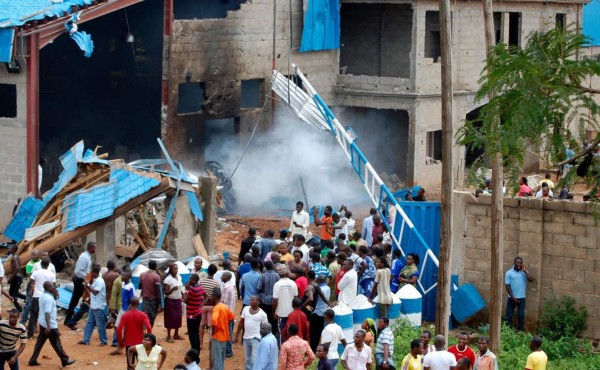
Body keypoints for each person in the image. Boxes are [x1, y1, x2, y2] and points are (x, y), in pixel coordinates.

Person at [28, 281, 75, 367]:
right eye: (53, 287)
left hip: (42, 323)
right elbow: (47, 313)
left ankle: (33, 359)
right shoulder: (49, 299)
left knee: (39, 343)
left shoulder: (42, 295)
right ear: (50, 288)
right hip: (50, 325)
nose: (55, 288)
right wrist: (49, 327)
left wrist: (55, 294)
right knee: (57, 344)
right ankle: (64, 360)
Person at [116, 296, 153, 367]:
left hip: (129, 344)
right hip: (140, 343)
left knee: (130, 365)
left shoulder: (125, 315)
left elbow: (119, 330)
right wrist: (149, 341)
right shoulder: (143, 315)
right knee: (142, 364)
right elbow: (148, 327)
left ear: (130, 304)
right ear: (138, 304)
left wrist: (121, 342)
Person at [65, 241, 95, 325]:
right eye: (94, 248)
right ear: (90, 248)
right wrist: (86, 278)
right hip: (81, 280)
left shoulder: (86, 256)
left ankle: (70, 319)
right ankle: (69, 320)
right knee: (78, 300)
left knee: (80, 299)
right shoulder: (85, 257)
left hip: (82, 280)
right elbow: (78, 271)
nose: (95, 249)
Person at [234, 295, 268, 370]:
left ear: (258, 302)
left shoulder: (262, 314)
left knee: (254, 360)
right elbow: (241, 323)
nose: (251, 301)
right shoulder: (245, 309)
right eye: (250, 299)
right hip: (246, 338)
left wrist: (264, 340)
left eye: (253, 300)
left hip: (256, 339)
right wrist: (236, 336)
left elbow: (266, 328)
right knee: (247, 359)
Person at [79, 263, 107, 345]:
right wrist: (87, 287)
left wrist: (87, 284)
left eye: (92, 273)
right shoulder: (96, 280)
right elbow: (92, 292)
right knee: (90, 322)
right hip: (94, 305)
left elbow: (95, 292)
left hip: (98, 306)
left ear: (95, 272)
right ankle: (86, 340)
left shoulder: (100, 281)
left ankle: (103, 341)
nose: (91, 274)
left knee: (100, 324)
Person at [27, 258, 55, 339]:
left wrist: (32, 290)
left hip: (37, 296)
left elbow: (29, 283)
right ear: (48, 265)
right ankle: (47, 332)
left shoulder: (36, 273)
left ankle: (30, 334)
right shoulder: (51, 274)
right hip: (47, 296)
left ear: (41, 264)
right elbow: (53, 286)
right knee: (47, 314)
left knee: (33, 315)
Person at [110, 267, 136, 354]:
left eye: (124, 275)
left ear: (128, 277)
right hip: (122, 308)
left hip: (127, 310)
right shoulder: (123, 284)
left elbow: (132, 301)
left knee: (126, 329)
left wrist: (127, 312)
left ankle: (123, 347)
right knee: (117, 327)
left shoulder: (131, 287)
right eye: (122, 274)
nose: (122, 276)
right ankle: (121, 345)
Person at [505, 256, 534, 331]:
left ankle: (520, 332)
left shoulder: (524, 272)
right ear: (514, 262)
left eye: (520, 262)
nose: (519, 264)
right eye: (518, 262)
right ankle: (507, 331)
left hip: (521, 298)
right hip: (511, 298)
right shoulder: (509, 273)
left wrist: (525, 271)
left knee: (521, 316)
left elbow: (531, 280)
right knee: (509, 316)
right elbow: (507, 286)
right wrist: (513, 298)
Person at [272, 264, 298, 343]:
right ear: (287, 272)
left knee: (281, 332)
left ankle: (282, 350)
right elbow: (296, 298)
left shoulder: (277, 285)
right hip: (292, 312)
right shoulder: (293, 283)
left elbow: (275, 300)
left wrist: (273, 312)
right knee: (292, 332)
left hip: (281, 313)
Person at [210, 288, 235, 370]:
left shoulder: (216, 308)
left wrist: (214, 331)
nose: (210, 298)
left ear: (215, 297)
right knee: (221, 358)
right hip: (224, 336)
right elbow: (232, 317)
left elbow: (214, 320)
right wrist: (225, 324)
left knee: (217, 358)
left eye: (211, 296)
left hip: (217, 336)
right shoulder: (224, 306)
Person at [183, 274, 206, 353]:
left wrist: (186, 290)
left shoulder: (192, 290)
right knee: (196, 333)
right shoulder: (199, 287)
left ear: (195, 280)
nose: (189, 280)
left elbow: (185, 300)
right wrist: (200, 305)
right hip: (198, 313)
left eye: (191, 279)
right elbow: (206, 297)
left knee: (192, 335)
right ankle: (197, 351)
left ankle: (194, 352)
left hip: (191, 315)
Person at [256, 260, 279, 333]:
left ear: (265, 267)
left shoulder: (262, 276)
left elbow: (258, 288)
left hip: (264, 300)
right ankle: (273, 333)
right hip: (274, 301)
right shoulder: (277, 275)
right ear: (272, 266)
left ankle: (264, 332)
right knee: (273, 319)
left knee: (264, 318)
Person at [164, 262, 184, 343]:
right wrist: (173, 289)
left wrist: (183, 295)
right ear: (171, 270)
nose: (176, 270)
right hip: (170, 301)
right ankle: (168, 335)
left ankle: (176, 334)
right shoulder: (167, 280)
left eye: (177, 269)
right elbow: (166, 292)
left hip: (178, 300)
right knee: (170, 318)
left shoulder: (179, 277)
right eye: (174, 269)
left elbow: (180, 288)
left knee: (178, 317)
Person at [140, 260, 162, 327]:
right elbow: (158, 291)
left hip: (145, 300)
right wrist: (160, 303)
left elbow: (140, 287)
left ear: (148, 266)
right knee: (151, 319)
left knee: (145, 317)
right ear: (156, 267)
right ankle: (149, 333)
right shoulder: (156, 277)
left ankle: (144, 333)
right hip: (153, 301)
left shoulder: (142, 275)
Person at [221, 271, 237, 357]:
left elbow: (224, 301)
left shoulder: (227, 287)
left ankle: (228, 351)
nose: (222, 277)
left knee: (228, 333)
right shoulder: (231, 286)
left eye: (223, 276)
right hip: (231, 313)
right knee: (229, 332)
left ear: (227, 277)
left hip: (227, 314)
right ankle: (228, 350)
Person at [6, 245, 25, 313]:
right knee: (16, 293)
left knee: (11, 294)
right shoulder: (16, 257)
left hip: (16, 277)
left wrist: (11, 278)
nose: (8, 249)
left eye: (10, 248)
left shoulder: (14, 257)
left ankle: (19, 309)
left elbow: (17, 268)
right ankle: (27, 299)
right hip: (18, 277)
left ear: (13, 250)